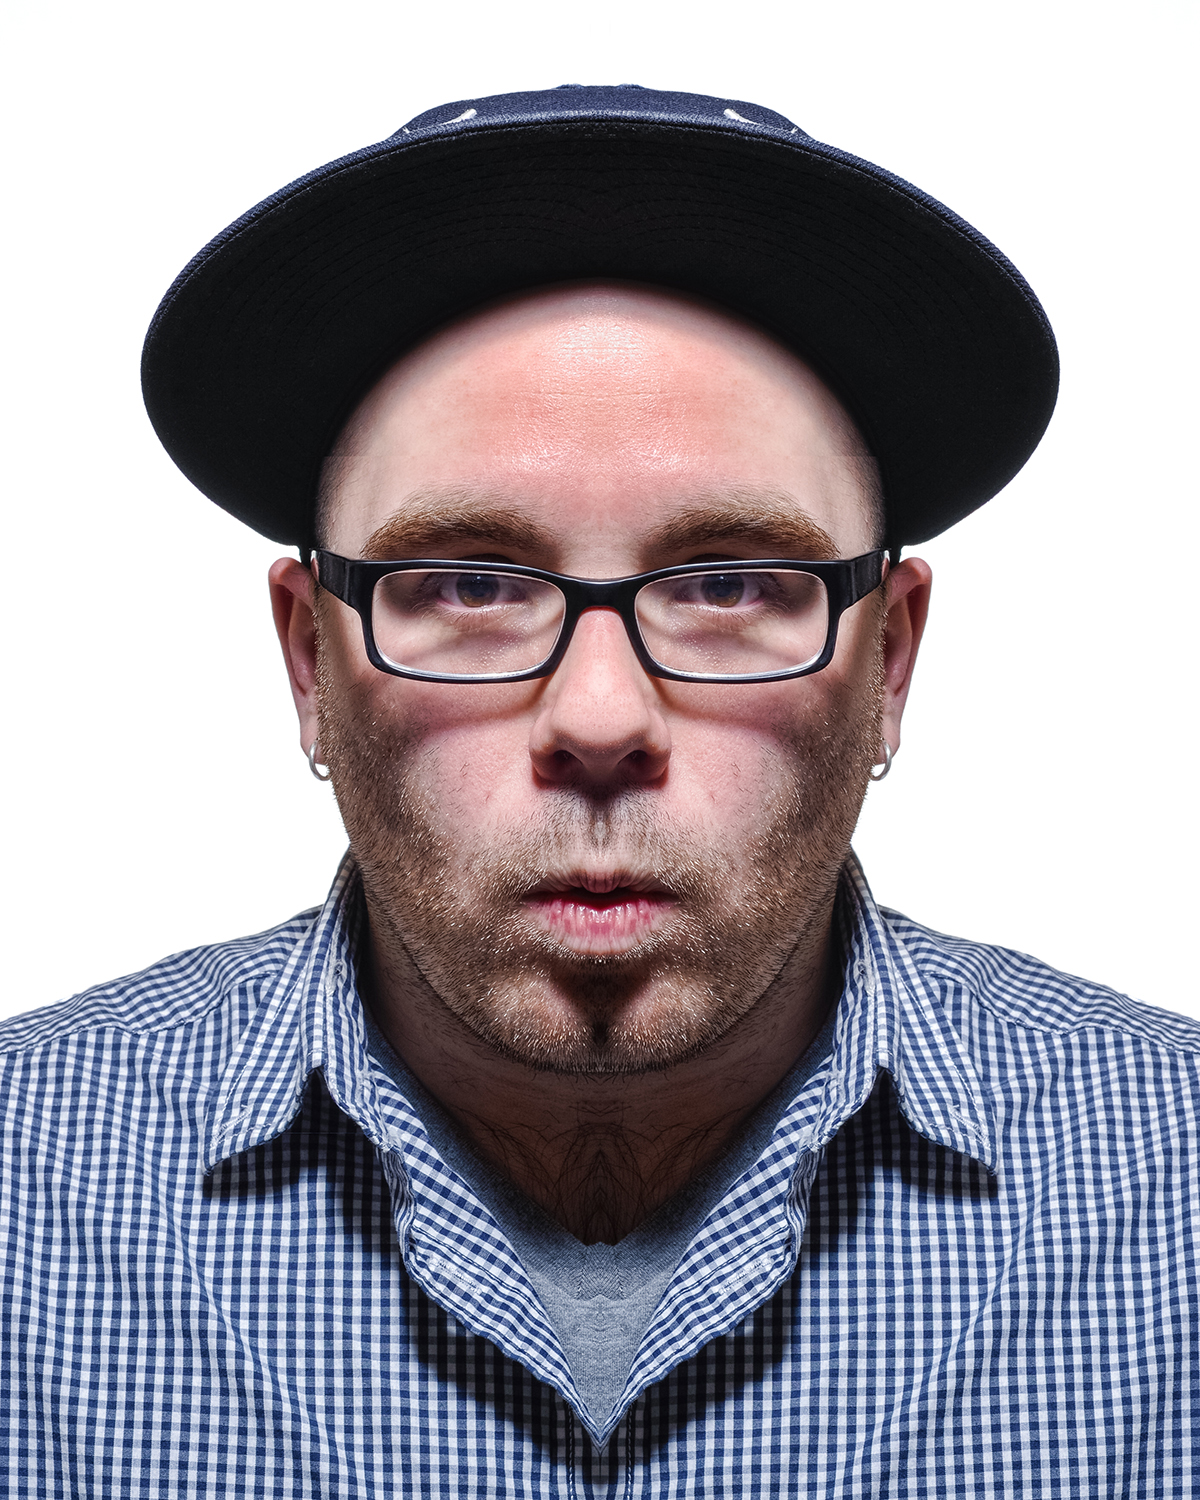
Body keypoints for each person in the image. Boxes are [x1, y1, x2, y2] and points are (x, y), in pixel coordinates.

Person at [4, 85, 1196, 1498]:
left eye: (733, 585)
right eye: (466, 585)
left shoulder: (1169, 1190)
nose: (600, 718)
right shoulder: (30, 1190)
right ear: (309, 664)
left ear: (890, 664)